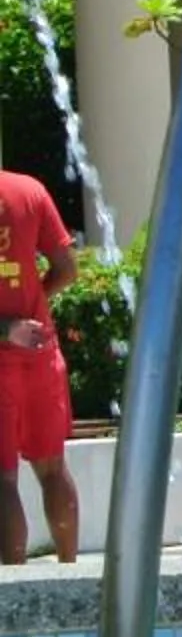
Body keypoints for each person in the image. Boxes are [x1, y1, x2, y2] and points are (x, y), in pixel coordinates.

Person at [0, 166, 79, 566]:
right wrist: (35, 298)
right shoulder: (30, 189)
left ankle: (12, 596)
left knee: (4, 480)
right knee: (52, 469)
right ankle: (71, 575)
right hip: (40, 350)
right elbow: (68, 269)